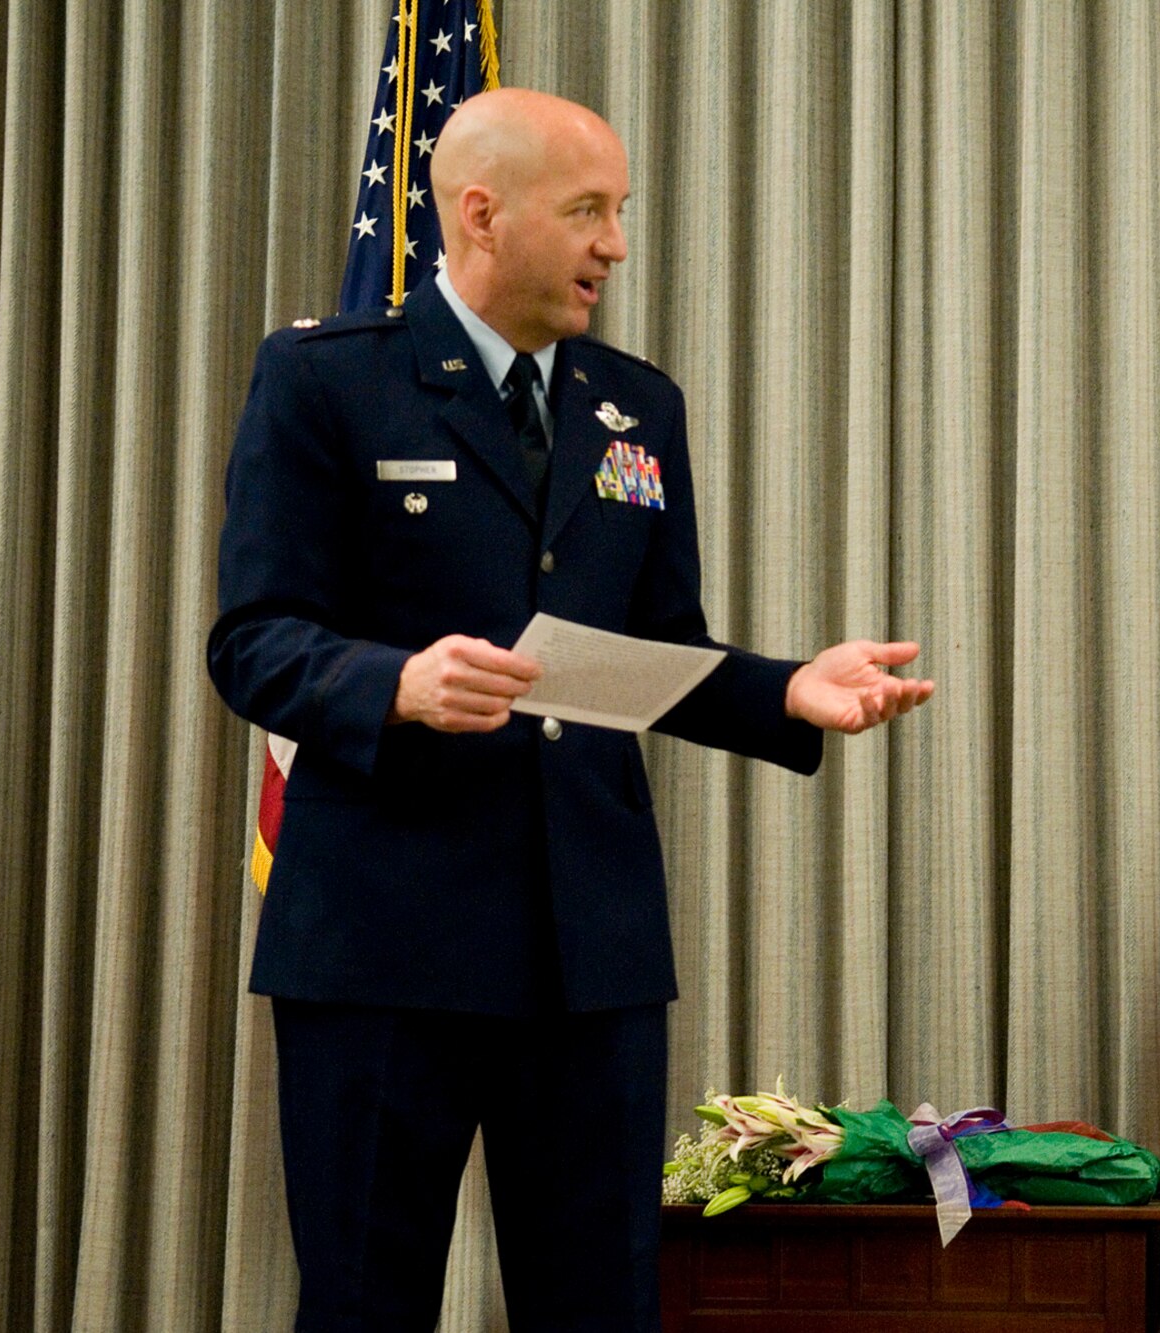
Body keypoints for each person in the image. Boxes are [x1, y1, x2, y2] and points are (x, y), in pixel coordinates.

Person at [207, 89, 932, 1332]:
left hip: (584, 947)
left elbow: (645, 653)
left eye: (620, 213)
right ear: (481, 215)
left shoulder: (635, 404)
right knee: (364, 1303)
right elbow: (254, 640)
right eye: (588, 211)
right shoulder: (329, 380)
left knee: (598, 1303)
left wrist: (784, 690)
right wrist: (392, 684)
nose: (616, 244)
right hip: (382, 940)